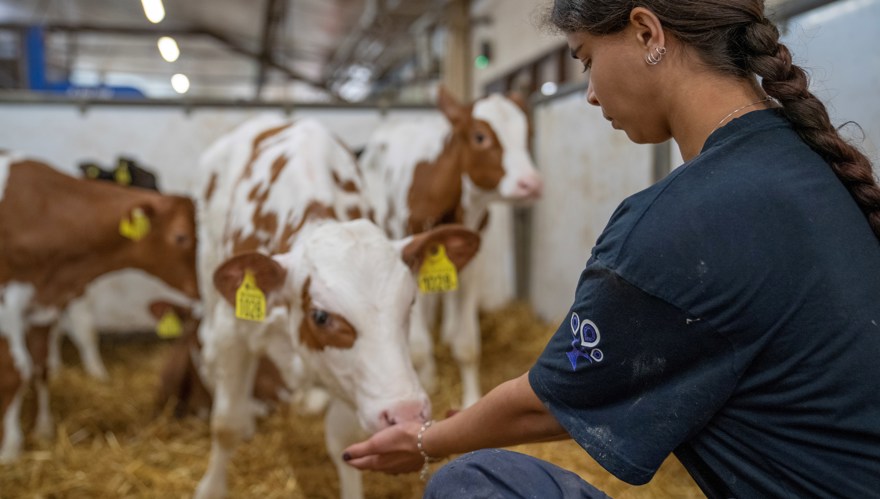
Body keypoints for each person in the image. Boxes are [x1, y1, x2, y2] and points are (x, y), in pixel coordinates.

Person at [342, 1, 880, 497]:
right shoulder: (813, 164)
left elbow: (545, 401)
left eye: (586, 59)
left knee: (471, 483)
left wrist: (425, 441)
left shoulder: (679, 222)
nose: (592, 93)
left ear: (647, 33)